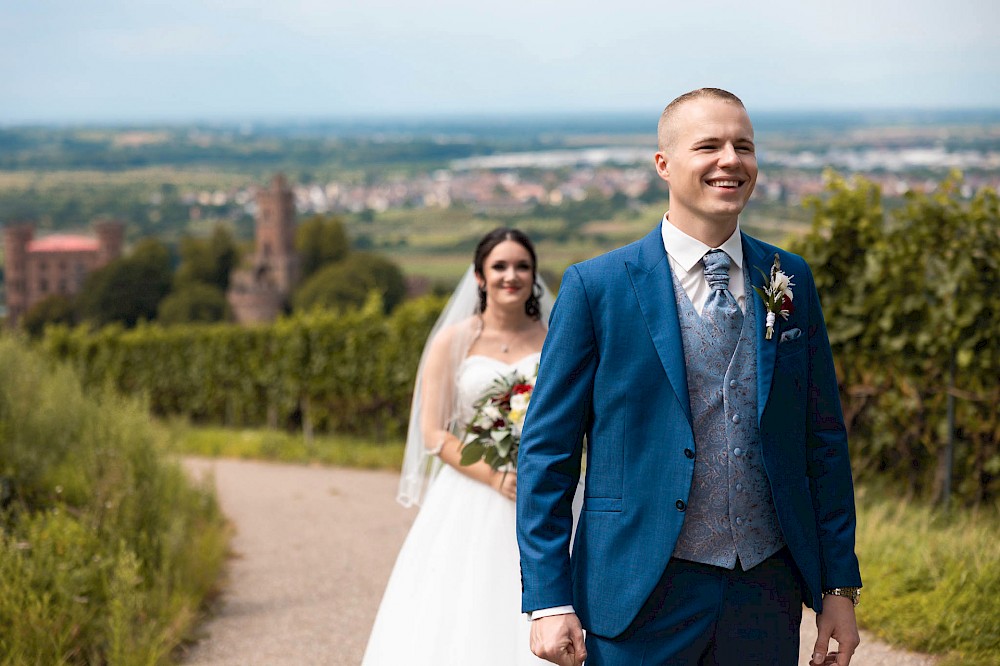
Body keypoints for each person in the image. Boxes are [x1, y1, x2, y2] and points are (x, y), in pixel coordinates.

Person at [516, 88, 863, 666]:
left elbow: (822, 441)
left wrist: (837, 587)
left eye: (743, 146)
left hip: (764, 591)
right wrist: (549, 599)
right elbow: (547, 452)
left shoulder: (790, 279)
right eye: (709, 145)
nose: (731, 160)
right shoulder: (595, 287)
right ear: (664, 164)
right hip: (636, 592)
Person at [362, 228, 554, 665]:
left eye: (522, 266)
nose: (512, 275)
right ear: (480, 277)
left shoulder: (553, 338)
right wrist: (495, 475)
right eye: (500, 266)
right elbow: (434, 433)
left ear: (533, 276)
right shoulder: (453, 341)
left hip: (543, 488)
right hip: (474, 489)